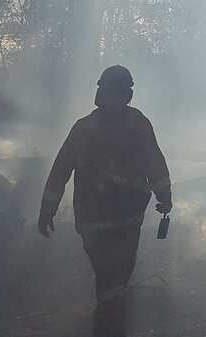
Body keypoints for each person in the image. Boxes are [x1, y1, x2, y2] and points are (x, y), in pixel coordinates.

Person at [38, 65, 172, 337]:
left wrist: (165, 197)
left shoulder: (121, 125)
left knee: (116, 273)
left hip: (115, 219)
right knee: (111, 274)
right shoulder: (94, 128)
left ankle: (109, 317)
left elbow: (154, 162)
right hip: (104, 219)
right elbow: (61, 169)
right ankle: (109, 321)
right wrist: (47, 209)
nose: (113, 97)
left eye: (117, 92)